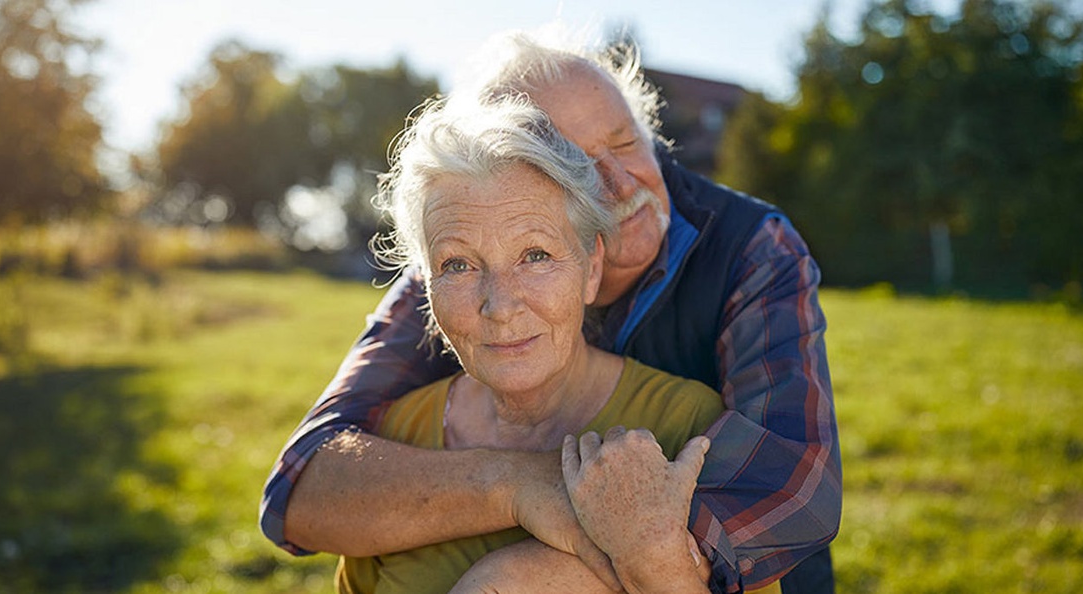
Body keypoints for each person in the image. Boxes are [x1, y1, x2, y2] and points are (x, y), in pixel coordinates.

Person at [261, 28, 841, 594]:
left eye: (623, 142)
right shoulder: (459, 253)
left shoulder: (750, 248)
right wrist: (525, 483)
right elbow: (303, 484)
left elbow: (795, 480)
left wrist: (613, 553)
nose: (617, 185)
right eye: (575, 163)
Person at [335, 94, 743, 594]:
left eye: (535, 255)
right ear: (426, 286)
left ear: (591, 268)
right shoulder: (399, 432)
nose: (500, 305)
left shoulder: (691, 428)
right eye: (457, 265)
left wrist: (655, 561)